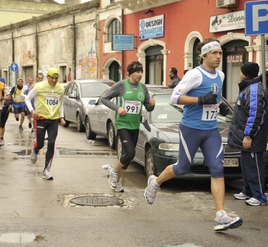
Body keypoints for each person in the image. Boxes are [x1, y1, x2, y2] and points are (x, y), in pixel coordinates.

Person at [143, 38, 243, 232]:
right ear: (203, 55)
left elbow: (213, 96)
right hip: (191, 129)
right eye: (214, 53)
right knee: (181, 168)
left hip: (211, 129)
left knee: (217, 168)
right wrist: (200, 100)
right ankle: (155, 183)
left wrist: (219, 106)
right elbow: (174, 97)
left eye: (220, 53)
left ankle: (221, 215)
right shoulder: (195, 75)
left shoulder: (221, 75)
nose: (218, 56)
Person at [101, 61, 155, 192]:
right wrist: (118, 108)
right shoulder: (121, 85)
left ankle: (116, 181)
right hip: (122, 124)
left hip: (135, 125)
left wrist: (152, 104)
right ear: (130, 73)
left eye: (141, 71)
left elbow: (148, 106)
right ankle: (114, 171)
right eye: (137, 71)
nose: (140, 74)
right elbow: (104, 99)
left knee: (127, 155)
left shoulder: (143, 88)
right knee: (131, 153)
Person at [228, 62, 268, 206]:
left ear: (245, 74)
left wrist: (249, 135)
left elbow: (255, 114)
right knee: (246, 166)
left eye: (241, 71)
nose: (239, 73)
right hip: (246, 136)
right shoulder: (248, 88)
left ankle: (259, 196)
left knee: (254, 166)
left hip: (253, 138)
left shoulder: (254, 90)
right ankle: (248, 191)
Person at [25, 68, 66, 180]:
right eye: (52, 78)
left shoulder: (61, 88)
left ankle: (46, 170)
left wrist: (61, 117)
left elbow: (61, 103)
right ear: (47, 77)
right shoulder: (39, 86)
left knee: (52, 143)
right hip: (41, 118)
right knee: (41, 144)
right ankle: (35, 149)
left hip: (54, 120)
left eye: (56, 78)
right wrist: (32, 111)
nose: (54, 80)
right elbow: (27, 99)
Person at [0, 77, 12, 147]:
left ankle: (2, 137)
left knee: (3, 124)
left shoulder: (6, 89)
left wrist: (3, 98)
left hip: (5, 108)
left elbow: (9, 98)